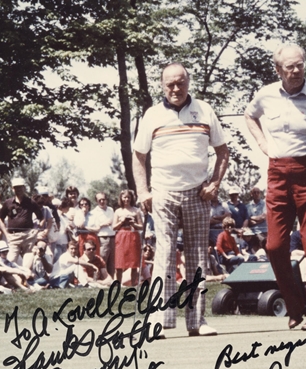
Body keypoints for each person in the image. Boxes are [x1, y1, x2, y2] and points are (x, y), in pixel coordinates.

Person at [245, 43, 306, 331]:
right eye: (290, 66)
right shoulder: (265, 95)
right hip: (276, 174)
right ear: (278, 70)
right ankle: (295, 305)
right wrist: (263, 144)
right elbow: (249, 116)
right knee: (274, 245)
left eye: (300, 64)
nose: (297, 70)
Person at [133, 62, 229, 337]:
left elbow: (223, 151)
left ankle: (197, 321)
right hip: (163, 193)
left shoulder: (204, 110)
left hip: (198, 193)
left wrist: (214, 184)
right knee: (163, 256)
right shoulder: (151, 115)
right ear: (162, 86)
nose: (176, 88)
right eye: (170, 84)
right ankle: (158, 320)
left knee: (197, 257)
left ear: (188, 82)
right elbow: (139, 156)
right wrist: (143, 192)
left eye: (180, 82)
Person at [0, 178, 43, 263]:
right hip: (13, 237)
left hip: (28, 236)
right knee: (10, 262)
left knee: (27, 265)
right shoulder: (8, 203)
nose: (18, 189)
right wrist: (6, 234)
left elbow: (42, 217)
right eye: (16, 187)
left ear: (24, 188)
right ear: (12, 189)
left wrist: (36, 230)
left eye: (20, 187)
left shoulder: (31, 202)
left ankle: (26, 276)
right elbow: (0, 218)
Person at [113, 189, 143, 286]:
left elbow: (141, 226)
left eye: (128, 197)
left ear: (131, 198)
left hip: (133, 235)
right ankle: (118, 284)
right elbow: (113, 227)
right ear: (121, 198)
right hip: (121, 235)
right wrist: (121, 222)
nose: (126, 199)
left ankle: (133, 284)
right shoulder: (118, 211)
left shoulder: (136, 210)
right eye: (124, 197)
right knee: (119, 262)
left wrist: (133, 223)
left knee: (133, 262)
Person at [91, 192, 116, 278]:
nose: (102, 201)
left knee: (112, 261)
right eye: (99, 200)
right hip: (102, 238)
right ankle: (99, 279)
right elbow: (94, 226)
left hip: (113, 237)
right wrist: (103, 224)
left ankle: (111, 280)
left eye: (103, 199)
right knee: (102, 260)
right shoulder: (94, 212)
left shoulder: (111, 210)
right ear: (96, 201)